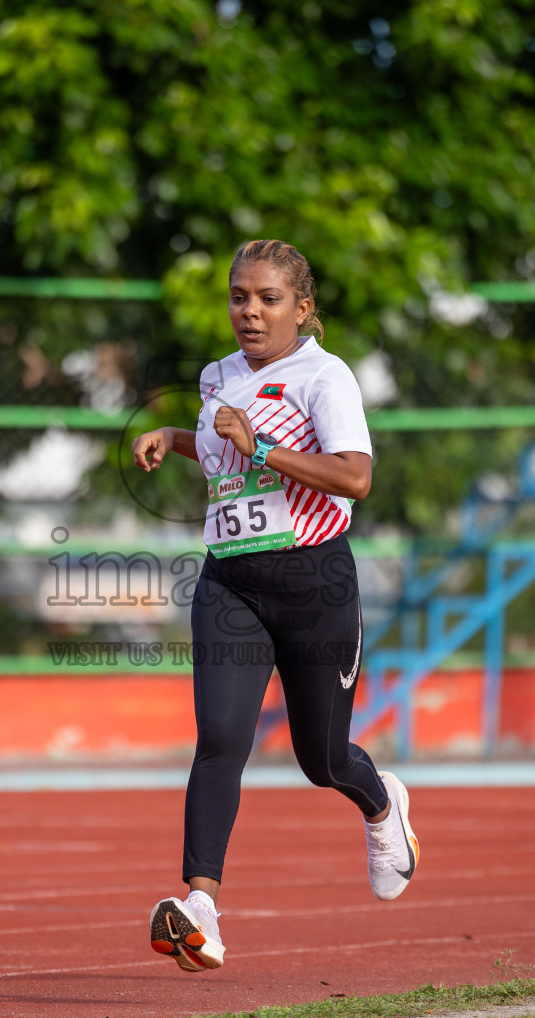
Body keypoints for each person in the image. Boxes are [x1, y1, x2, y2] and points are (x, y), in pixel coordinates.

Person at [130, 239, 419, 973]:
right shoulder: (217, 376)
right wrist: (175, 436)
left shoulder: (326, 376)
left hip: (314, 583)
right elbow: (223, 444)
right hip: (231, 583)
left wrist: (261, 451)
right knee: (220, 739)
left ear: (303, 308)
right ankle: (201, 907)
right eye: (238, 297)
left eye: (267, 299)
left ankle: (381, 803)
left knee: (319, 759)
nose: (249, 312)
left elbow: (355, 478)